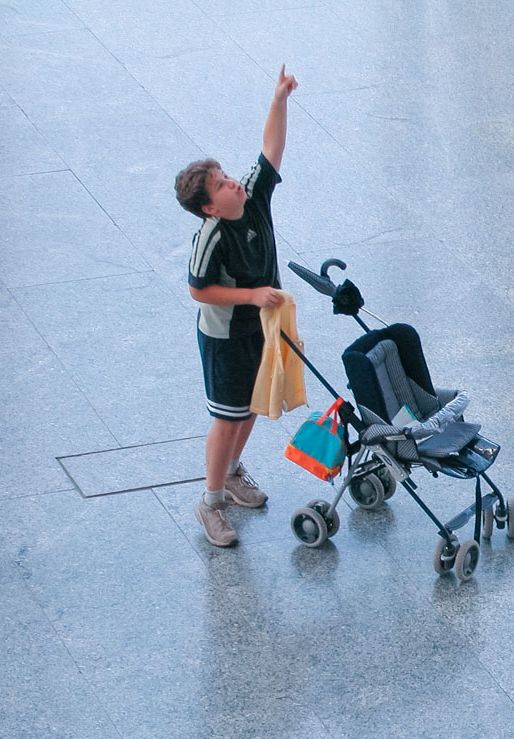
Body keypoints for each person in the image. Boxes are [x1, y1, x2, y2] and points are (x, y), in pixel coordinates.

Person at [175, 65, 298, 547]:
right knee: (226, 416)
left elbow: (270, 150)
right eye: (222, 183)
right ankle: (210, 503)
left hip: (259, 324)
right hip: (226, 334)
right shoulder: (210, 237)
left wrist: (279, 99)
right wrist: (250, 295)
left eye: (227, 175)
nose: (233, 182)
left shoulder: (251, 196)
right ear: (209, 206)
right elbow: (198, 290)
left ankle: (229, 472)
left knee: (248, 409)